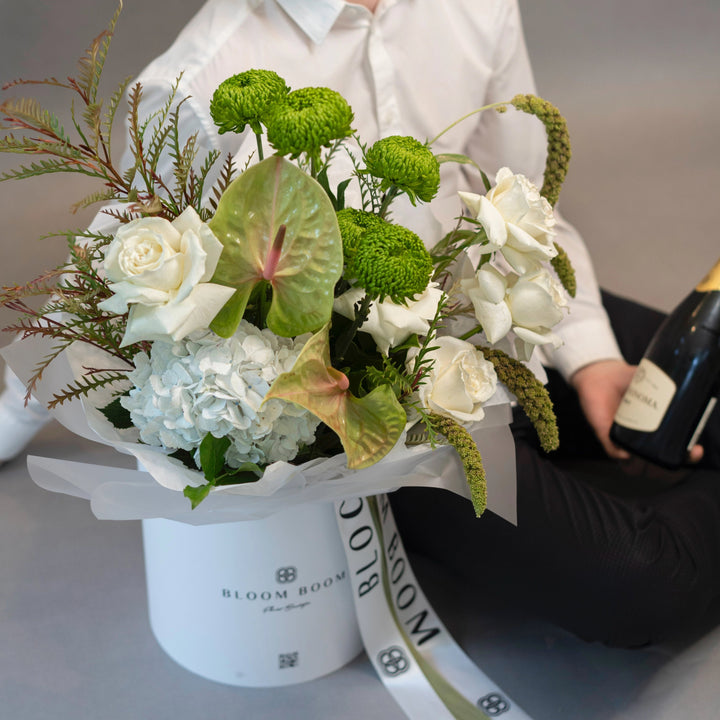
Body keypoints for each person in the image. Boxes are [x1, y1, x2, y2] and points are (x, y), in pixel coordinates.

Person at [2, 0, 719, 647]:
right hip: (387, 414)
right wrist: (19, 408)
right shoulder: (200, 76)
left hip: (501, 319)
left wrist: (592, 359)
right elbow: (121, 278)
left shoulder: (478, 7)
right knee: (640, 585)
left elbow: (525, 199)